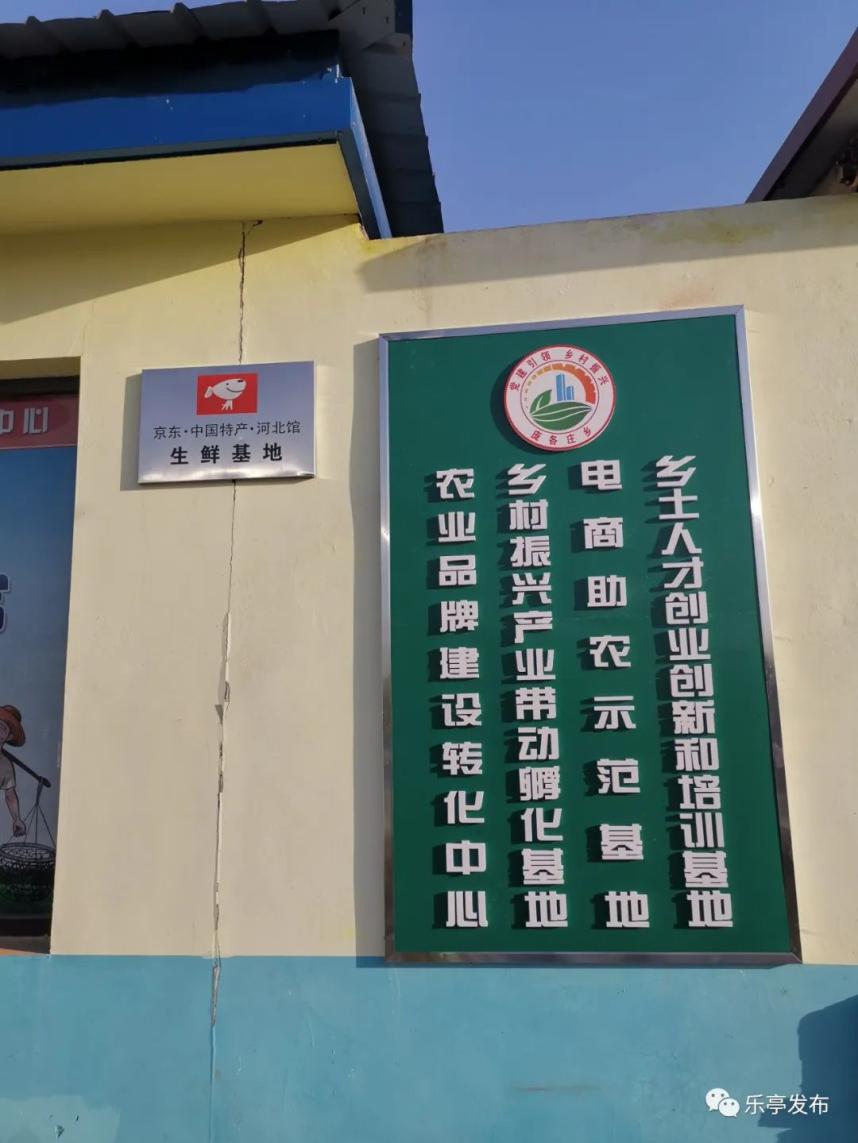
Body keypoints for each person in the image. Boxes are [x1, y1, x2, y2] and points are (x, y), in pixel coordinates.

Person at [0, 706, 27, 837]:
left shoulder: (5, 766)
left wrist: (17, 819)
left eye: (3, 729)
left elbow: (10, 795)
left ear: (9, 736)